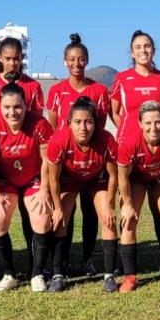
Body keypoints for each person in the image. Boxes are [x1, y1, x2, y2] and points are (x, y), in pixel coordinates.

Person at [110, 30, 160, 273]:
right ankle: (124, 265)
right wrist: (130, 134)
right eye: (138, 47)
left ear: (153, 50)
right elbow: (115, 112)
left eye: (147, 46)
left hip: (157, 153)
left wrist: (153, 136)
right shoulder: (122, 79)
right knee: (129, 211)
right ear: (131, 52)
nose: (143, 50)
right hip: (130, 154)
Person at [0, 82, 55, 292]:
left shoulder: (39, 124)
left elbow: (47, 161)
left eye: (17, 107)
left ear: (25, 105)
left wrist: (44, 191)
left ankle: (37, 273)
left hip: (33, 179)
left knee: (41, 217)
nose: (12, 112)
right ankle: (9, 274)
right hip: (5, 180)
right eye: (7, 107)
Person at [46, 33, 110, 277]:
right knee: (66, 209)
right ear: (65, 61)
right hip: (68, 160)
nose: (76, 64)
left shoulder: (99, 90)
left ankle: (87, 259)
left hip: (93, 159)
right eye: (72, 59)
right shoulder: (56, 90)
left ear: (87, 61)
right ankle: (63, 262)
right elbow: (55, 127)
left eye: (81, 59)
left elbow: (100, 124)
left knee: (91, 211)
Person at [0, 37, 44, 271]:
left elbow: (34, 125)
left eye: (16, 59)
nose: (12, 63)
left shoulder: (33, 86)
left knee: (33, 213)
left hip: (27, 159)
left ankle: (35, 261)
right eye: (8, 59)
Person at [46, 97, 119, 292]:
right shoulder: (59, 140)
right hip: (69, 180)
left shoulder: (106, 139)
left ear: (95, 122)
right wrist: (58, 208)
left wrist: (110, 205)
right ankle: (57, 274)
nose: (83, 127)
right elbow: (53, 178)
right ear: (69, 122)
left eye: (88, 121)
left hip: (97, 180)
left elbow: (114, 176)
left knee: (107, 219)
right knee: (60, 220)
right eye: (77, 122)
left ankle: (109, 274)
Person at [117, 101, 160, 292]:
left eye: (157, 122)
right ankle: (130, 277)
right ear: (140, 123)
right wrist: (128, 204)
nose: (153, 127)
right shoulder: (129, 143)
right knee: (129, 220)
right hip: (136, 180)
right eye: (148, 123)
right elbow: (122, 176)